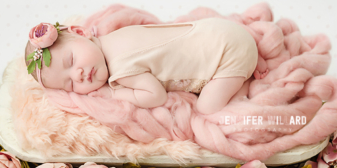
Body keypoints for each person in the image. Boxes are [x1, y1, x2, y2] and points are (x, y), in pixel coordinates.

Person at [24, 17, 267, 115]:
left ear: (80, 32)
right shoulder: (113, 37)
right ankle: (251, 52)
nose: (79, 75)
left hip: (229, 53)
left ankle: (246, 77)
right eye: (70, 83)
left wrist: (115, 93)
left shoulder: (121, 68)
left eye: (71, 61)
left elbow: (156, 95)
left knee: (205, 108)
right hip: (222, 29)